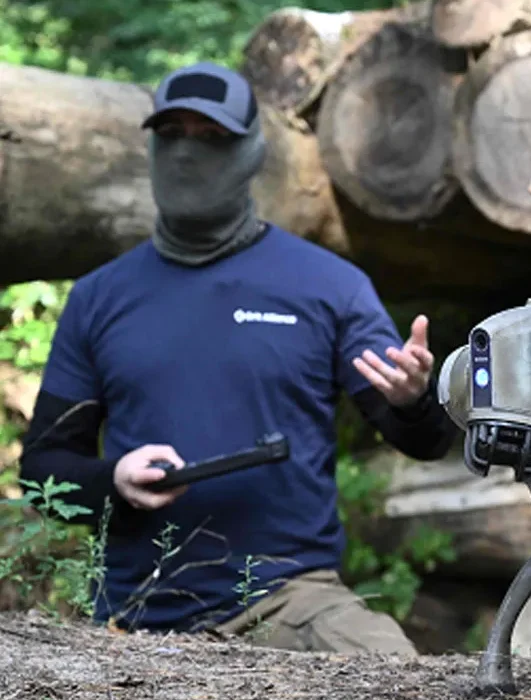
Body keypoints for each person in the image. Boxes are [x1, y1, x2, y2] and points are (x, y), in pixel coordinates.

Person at [18, 62, 457, 654]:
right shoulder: (99, 297)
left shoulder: (328, 286)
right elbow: (42, 471)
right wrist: (112, 482)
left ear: (251, 152)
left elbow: (425, 441)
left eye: (212, 136)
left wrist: (414, 401)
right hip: (135, 610)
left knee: (395, 672)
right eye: (171, 134)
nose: (187, 153)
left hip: (289, 599)